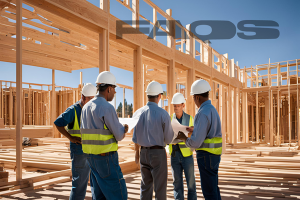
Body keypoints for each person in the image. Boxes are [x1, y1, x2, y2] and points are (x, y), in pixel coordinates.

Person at [80, 71, 128, 200]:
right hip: (106, 159)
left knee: (99, 195)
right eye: (114, 89)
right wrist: (124, 130)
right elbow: (118, 135)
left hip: (90, 158)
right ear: (109, 88)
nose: (115, 93)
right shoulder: (107, 107)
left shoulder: (85, 108)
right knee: (119, 194)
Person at [177, 79, 222, 200]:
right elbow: (209, 131)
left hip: (206, 157)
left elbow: (195, 143)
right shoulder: (212, 109)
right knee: (214, 189)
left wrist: (184, 138)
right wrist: (195, 129)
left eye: (193, 97)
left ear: (197, 97)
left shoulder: (202, 113)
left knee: (209, 192)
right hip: (214, 156)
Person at [54, 83, 97, 200]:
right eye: (90, 99)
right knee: (79, 183)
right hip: (79, 150)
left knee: (96, 183)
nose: (92, 102)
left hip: (93, 149)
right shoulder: (73, 110)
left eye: (94, 99)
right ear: (83, 97)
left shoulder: (92, 109)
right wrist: (71, 138)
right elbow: (58, 123)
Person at [133, 81, 174, 200]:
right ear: (159, 96)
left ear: (147, 96)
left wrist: (137, 154)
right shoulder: (163, 114)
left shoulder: (137, 113)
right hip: (158, 154)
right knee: (160, 189)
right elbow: (169, 139)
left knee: (145, 187)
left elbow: (135, 138)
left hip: (143, 153)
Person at [169, 93, 197, 200]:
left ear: (183, 105)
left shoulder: (190, 118)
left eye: (178, 106)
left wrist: (186, 135)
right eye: (174, 106)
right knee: (177, 184)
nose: (176, 108)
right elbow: (166, 135)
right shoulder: (169, 118)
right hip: (174, 154)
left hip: (187, 155)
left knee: (191, 183)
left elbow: (195, 135)